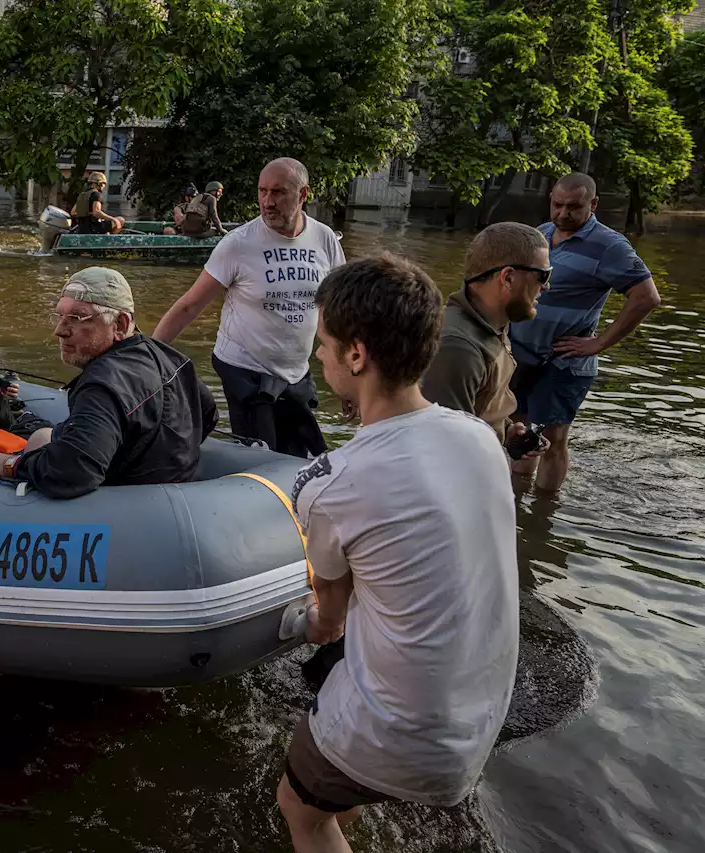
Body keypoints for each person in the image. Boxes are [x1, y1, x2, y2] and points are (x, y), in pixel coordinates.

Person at [278, 255, 517, 853]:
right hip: (481, 714)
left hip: (404, 732)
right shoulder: (479, 438)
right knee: (339, 783)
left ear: (356, 356)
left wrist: (309, 623)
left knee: (297, 802)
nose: (318, 356)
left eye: (324, 343)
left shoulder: (329, 482)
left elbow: (329, 617)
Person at [153, 158, 345, 458]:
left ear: (303, 194)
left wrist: (352, 378)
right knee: (263, 458)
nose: (268, 202)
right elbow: (190, 306)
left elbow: (339, 313)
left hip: (296, 372)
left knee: (303, 457)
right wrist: (149, 357)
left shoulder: (324, 239)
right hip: (245, 370)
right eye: (262, 191)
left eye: (279, 192)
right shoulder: (238, 244)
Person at [0, 268, 218, 498]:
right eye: (60, 316)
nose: (60, 330)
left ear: (119, 324)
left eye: (77, 318)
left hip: (130, 508)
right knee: (41, 437)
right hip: (177, 487)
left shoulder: (103, 384)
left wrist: (8, 465)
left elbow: (74, 470)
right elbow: (208, 414)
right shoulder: (170, 357)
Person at [508, 172, 661, 490]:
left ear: (593, 204)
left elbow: (646, 297)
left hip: (562, 360)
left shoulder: (610, 246)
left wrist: (599, 344)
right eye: (557, 204)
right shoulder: (541, 234)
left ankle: (545, 511)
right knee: (519, 430)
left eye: (573, 207)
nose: (563, 213)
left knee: (552, 438)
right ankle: (520, 503)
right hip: (520, 352)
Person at [423, 221, 553, 443]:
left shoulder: (493, 324)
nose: (546, 286)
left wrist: (506, 433)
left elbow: (477, 411)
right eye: (543, 276)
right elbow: (444, 447)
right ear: (508, 278)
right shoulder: (458, 348)